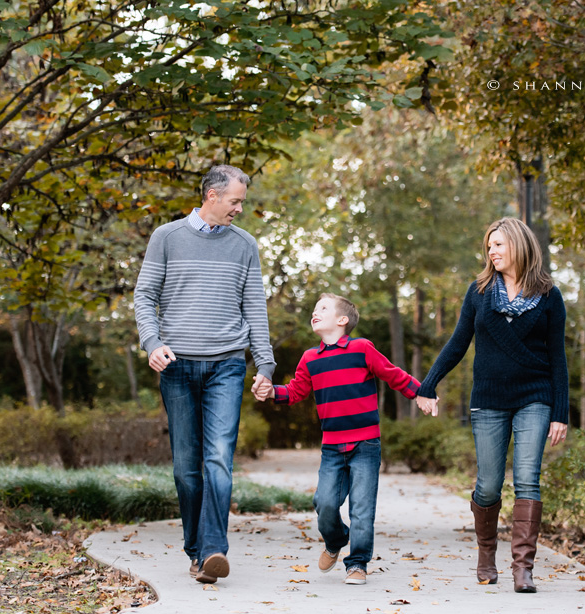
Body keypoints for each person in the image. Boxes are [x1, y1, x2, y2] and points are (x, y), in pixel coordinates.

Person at [133, 165, 276, 584]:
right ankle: (196, 550)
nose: (240, 209)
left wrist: (264, 364)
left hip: (227, 365)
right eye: (235, 201)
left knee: (218, 459)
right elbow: (145, 295)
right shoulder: (167, 237)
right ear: (212, 196)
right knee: (186, 468)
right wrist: (151, 342)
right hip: (176, 365)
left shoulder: (245, 245)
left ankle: (214, 548)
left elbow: (255, 309)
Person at [415, 217, 568, 594]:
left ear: (518, 245)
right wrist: (427, 385)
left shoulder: (549, 296)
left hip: (535, 397)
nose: (492, 252)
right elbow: (457, 343)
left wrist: (561, 412)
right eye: (489, 247)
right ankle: (486, 553)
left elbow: (558, 358)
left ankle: (523, 569)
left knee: (528, 479)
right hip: (489, 400)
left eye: (498, 245)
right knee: (488, 486)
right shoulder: (479, 292)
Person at [254, 293, 421, 586]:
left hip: (366, 444)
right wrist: (272, 392)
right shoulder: (310, 358)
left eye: (323, 308)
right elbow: (295, 392)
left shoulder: (361, 348)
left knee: (362, 508)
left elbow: (391, 374)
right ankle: (336, 539)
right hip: (332, 447)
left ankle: (357, 564)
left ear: (342, 320)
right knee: (324, 503)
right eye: (315, 309)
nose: (315, 312)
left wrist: (421, 391)